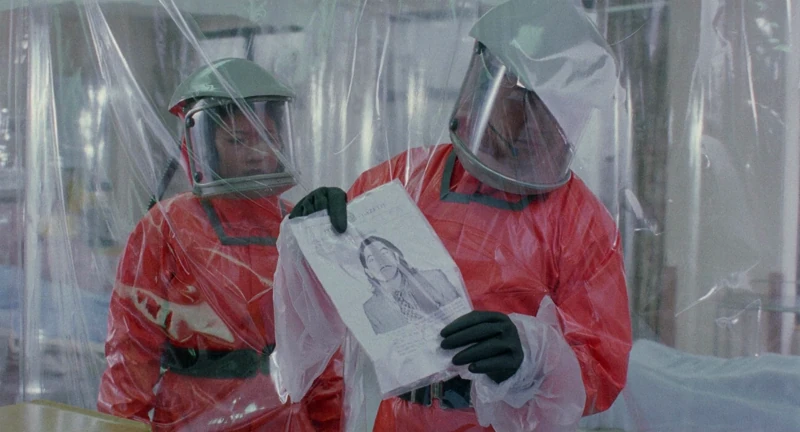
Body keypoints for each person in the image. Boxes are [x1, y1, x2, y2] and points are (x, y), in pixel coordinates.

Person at [289, 0, 632, 430]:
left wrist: (533, 358)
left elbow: (602, 364)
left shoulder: (581, 222)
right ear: (483, 82)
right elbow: (319, 322)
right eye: (516, 95)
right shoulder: (399, 183)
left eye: (549, 105)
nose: (529, 119)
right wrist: (312, 244)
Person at [97, 58, 341, 431]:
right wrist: (122, 427)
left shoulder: (298, 225)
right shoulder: (167, 227)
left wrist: (331, 424)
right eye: (237, 140)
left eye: (266, 136)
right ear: (204, 146)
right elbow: (132, 348)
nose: (256, 152)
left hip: (286, 416)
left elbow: (323, 352)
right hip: (192, 416)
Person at [359, 235, 460, 334]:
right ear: (368, 272)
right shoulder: (372, 308)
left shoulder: (434, 278)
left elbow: (460, 313)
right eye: (372, 259)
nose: (381, 261)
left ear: (396, 257)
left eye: (384, 253)